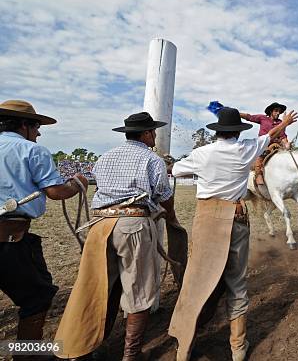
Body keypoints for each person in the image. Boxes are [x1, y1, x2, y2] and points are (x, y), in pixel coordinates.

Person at [169, 107, 298, 361]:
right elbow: (270, 133)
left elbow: (175, 171)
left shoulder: (201, 154)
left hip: (206, 220)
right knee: (237, 284)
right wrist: (284, 123)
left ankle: (183, 349)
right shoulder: (247, 148)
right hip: (236, 218)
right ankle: (238, 349)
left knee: (195, 283)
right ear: (237, 132)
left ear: (217, 132)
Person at [54, 112, 180, 361]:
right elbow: (165, 196)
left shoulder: (105, 158)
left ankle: (84, 347)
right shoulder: (151, 160)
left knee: (98, 287)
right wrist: (171, 216)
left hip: (100, 225)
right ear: (145, 134)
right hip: (132, 224)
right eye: (152, 131)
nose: (154, 135)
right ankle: (130, 355)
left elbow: (100, 188)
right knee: (140, 290)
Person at [0, 100, 88, 358]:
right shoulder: (31, 150)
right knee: (37, 298)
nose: (38, 133)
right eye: (37, 126)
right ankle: (28, 355)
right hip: (9, 240)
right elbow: (56, 192)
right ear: (25, 125)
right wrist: (77, 183)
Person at [240, 102, 290, 185]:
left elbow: (283, 136)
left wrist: (286, 144)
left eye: (279, 111)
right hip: (263, 144)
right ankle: (258, 174)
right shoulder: (262, 118)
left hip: (276, 145)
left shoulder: (281, 122)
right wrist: (237, 114)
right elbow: (249, 117)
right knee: (263, 153)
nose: (278, 113)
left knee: (288, 157)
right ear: (271, 111)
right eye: (276, 111)